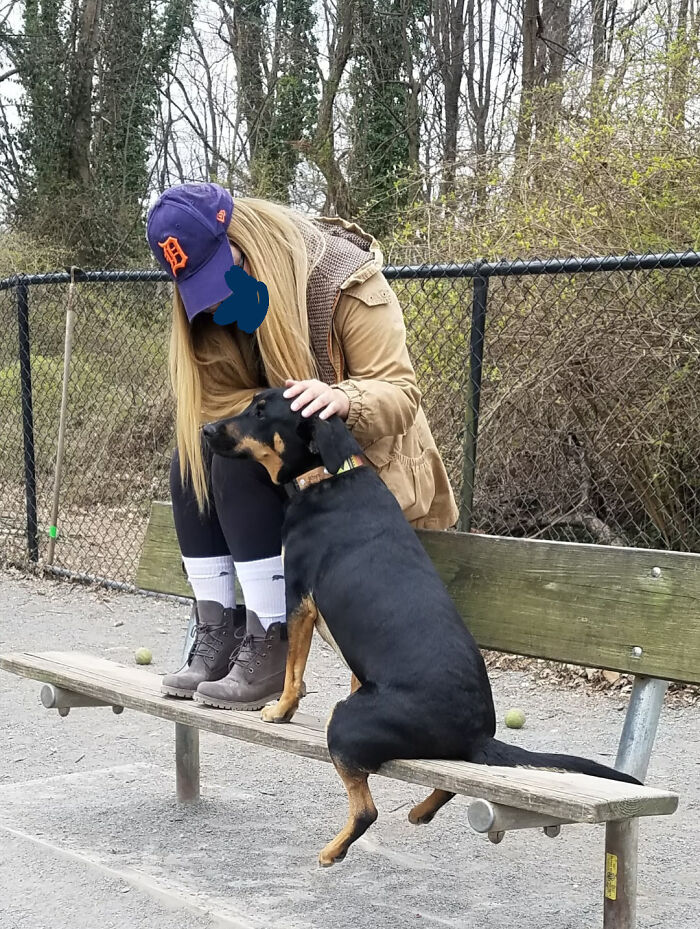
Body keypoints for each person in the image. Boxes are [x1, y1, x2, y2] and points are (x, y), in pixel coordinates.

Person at [145, 182, 459, 711]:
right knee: (196, 454)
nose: (216, 298)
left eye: (219, 273)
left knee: (239, 462)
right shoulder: (228, 305)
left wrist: (341, 398)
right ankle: (218, 632)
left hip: (363, 476)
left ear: (242, 239)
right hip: (301, 481)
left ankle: (270, 639)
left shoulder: (342, 280)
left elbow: (401, 392)